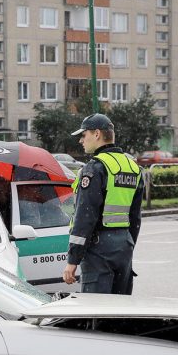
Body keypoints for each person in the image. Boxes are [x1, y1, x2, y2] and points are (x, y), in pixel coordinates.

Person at [62, 113, 143, 294]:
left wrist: (72, 260)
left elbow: (85, 217)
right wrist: (127, 244)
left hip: (99, 249)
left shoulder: (95, 168)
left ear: (96, 134)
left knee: (96, 312)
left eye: (84, 135)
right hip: (124, 246)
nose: (81, 140)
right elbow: (135, 218)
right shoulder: (133, 168)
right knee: (119, 310)